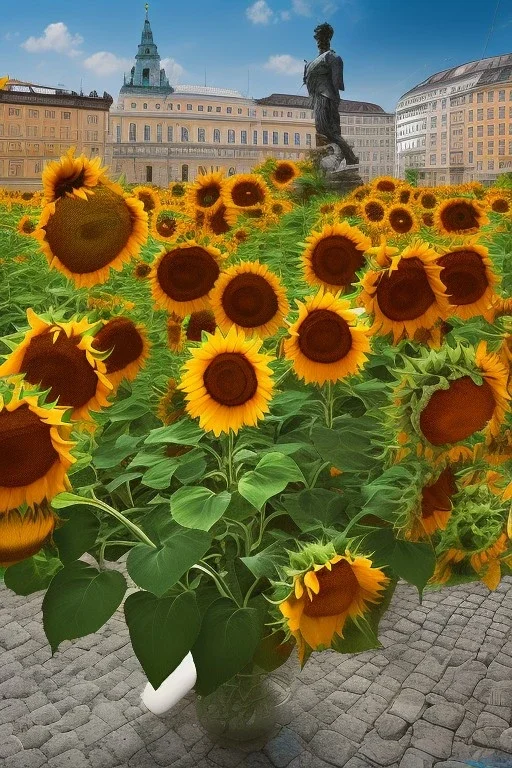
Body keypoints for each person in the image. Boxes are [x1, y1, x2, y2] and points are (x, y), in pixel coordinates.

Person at [303, 23, 359, 167]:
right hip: (317, 100)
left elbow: (337, 85)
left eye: (323, 37)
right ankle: (326, 163)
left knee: (329, 132)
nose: (320, 40)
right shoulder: (310, 64)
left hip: (326, 99)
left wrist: (333, 106)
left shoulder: (333, 57)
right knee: (323, 133)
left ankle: (351, 158)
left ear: (329, 38)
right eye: (318, 37)